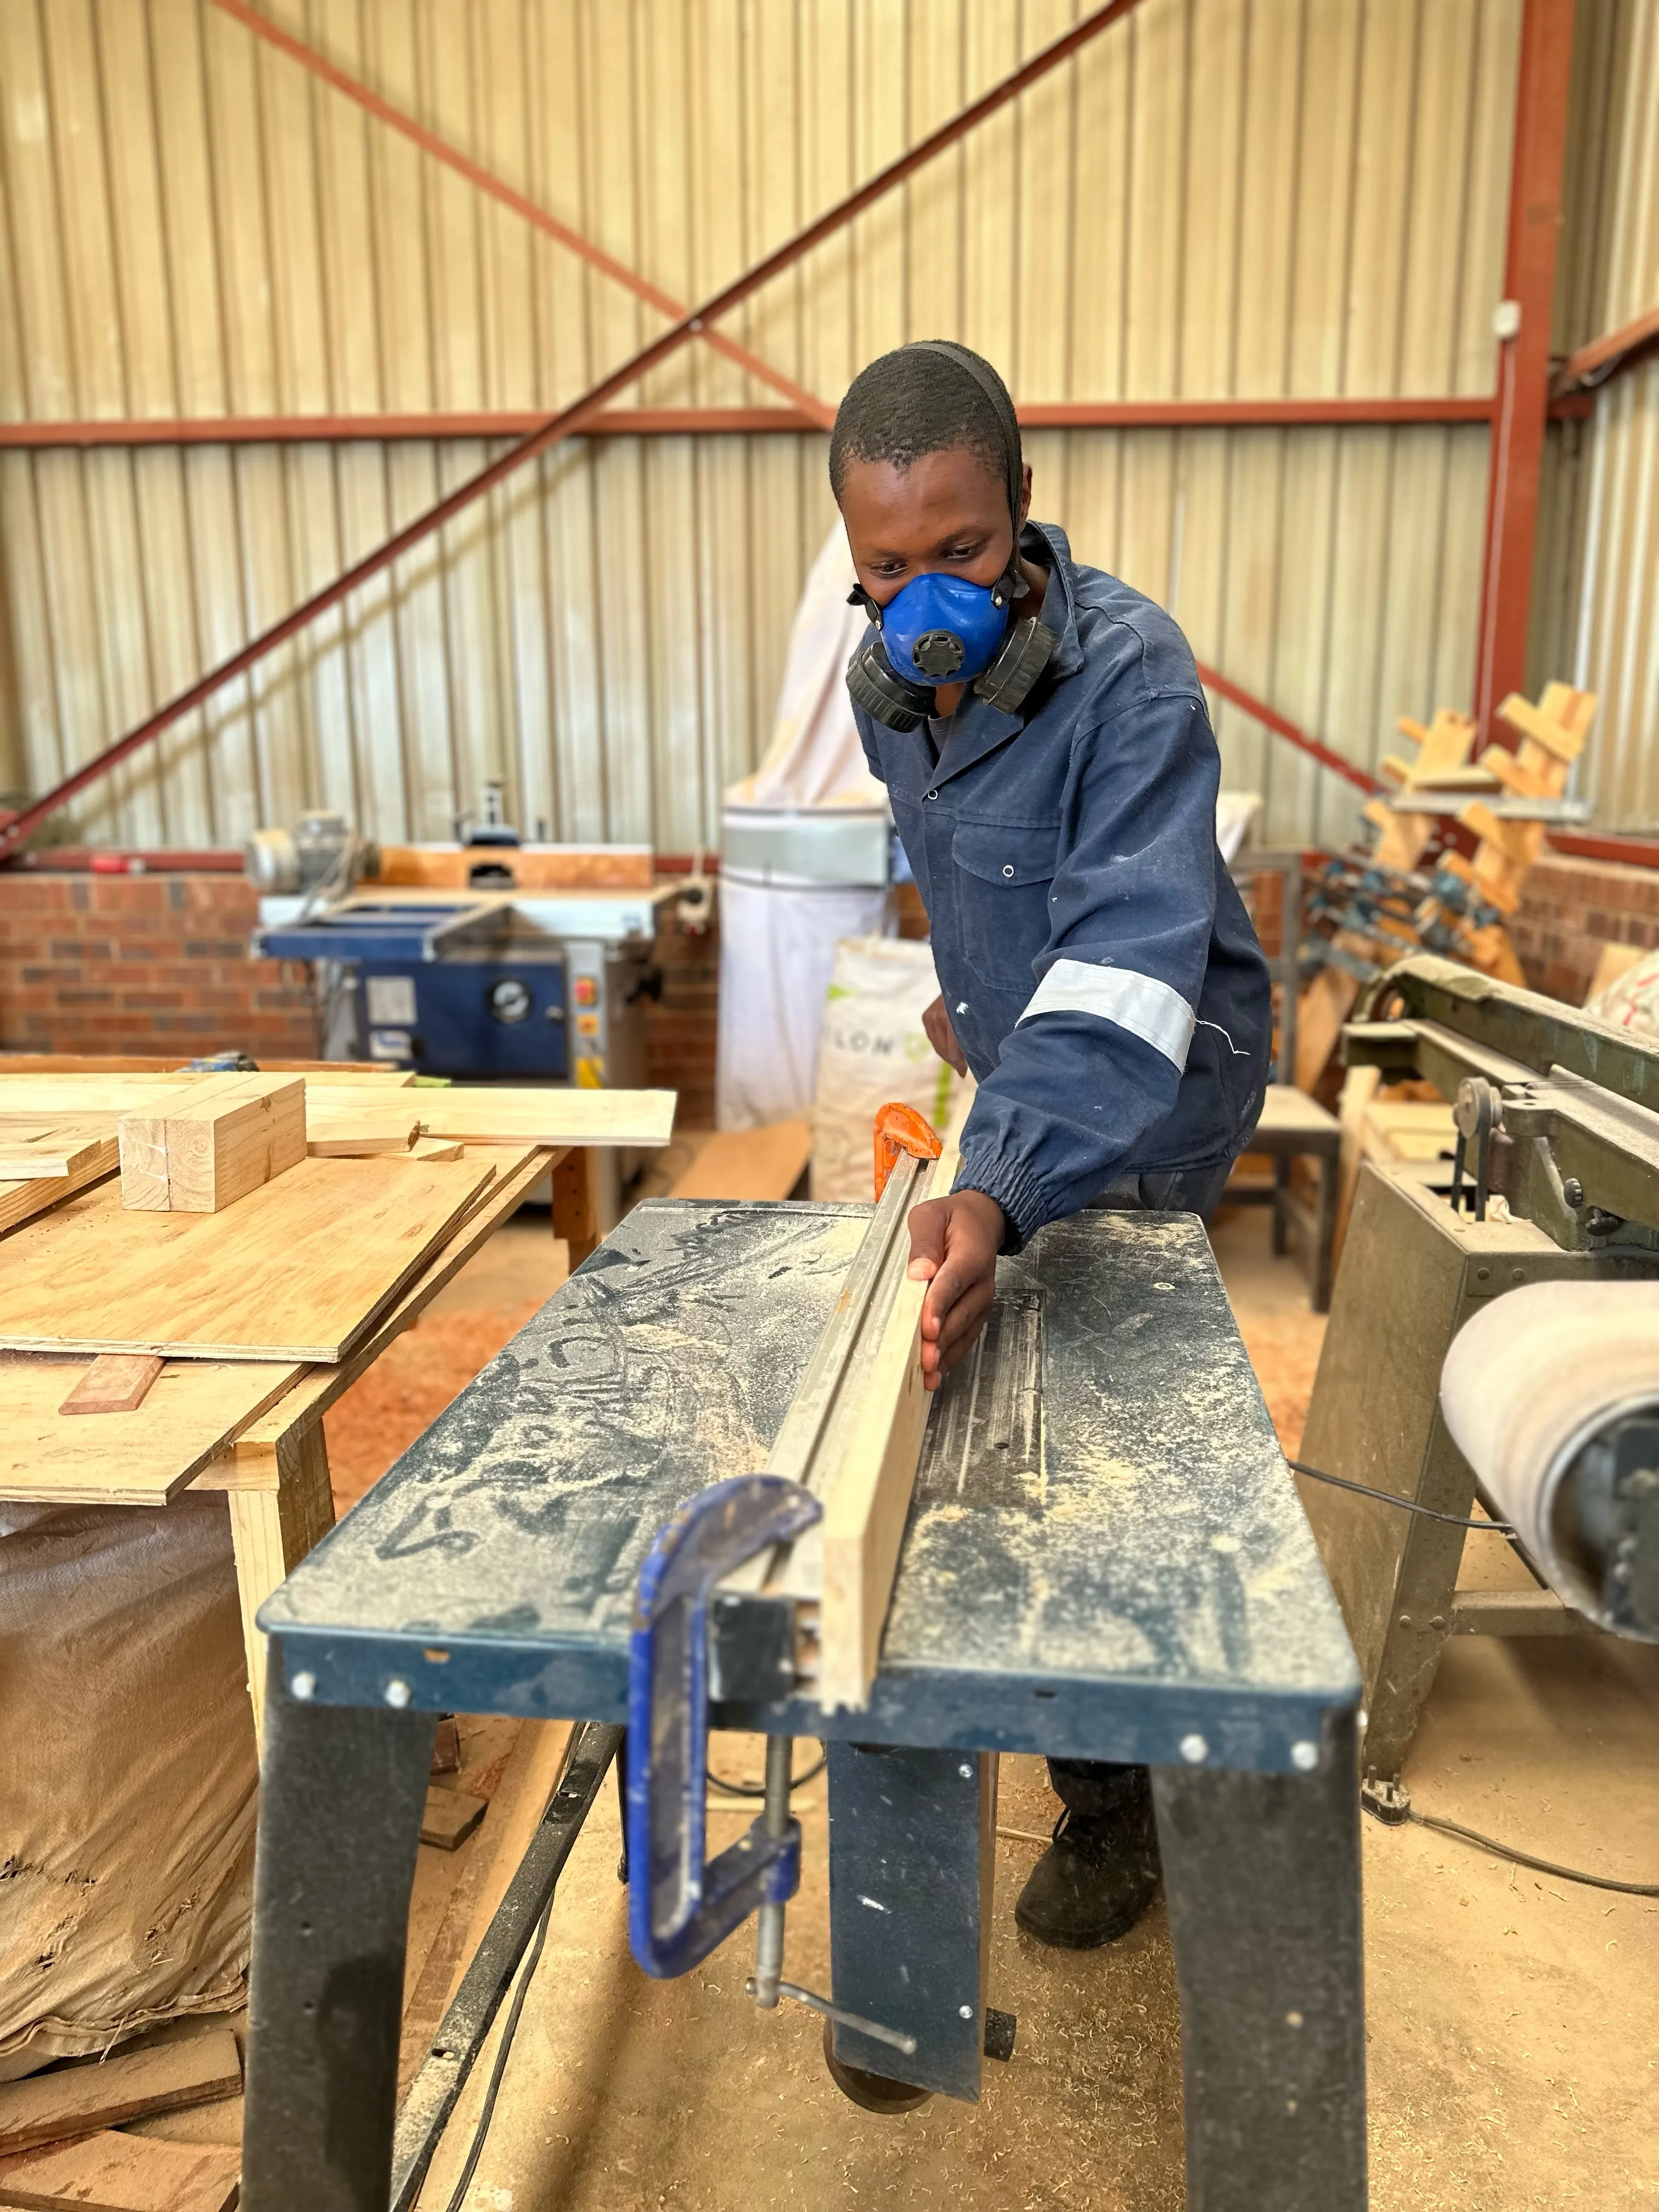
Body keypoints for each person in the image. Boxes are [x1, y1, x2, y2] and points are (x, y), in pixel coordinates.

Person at [831, 340, 1273, 1951]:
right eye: (886, 567)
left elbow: (1130, 966)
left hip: (1155, 1073)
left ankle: (1122, 1799)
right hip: (1027, 1057)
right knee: (989, 1385)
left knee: (1089, 1429)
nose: (924, 597)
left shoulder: (1131, 675)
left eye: (959, 553)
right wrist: (973, 1021)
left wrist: (998, 1182)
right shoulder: (888, 687)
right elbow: (972, 877)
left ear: (1024, 508)